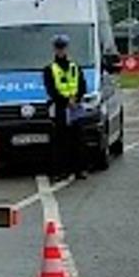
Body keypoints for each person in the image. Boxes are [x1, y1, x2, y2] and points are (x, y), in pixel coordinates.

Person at [42, 34, 89, 181]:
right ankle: (61, 171)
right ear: (54, 49)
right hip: (61, 109)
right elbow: (51, 90)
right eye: (58, 48)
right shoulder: (50, 69)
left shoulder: (75, 67)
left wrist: (76, 99)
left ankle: (79, 169)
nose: (61, 51)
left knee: (78, 140)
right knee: (60, 141)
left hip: (75, 108)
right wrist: (66, 101)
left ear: (67, 49)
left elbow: (82, 85)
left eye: (63, 48)